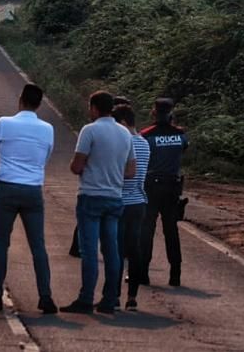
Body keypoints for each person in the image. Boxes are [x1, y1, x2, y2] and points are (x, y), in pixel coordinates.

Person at [63, 90, 136, 315]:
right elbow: (131, 171)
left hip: (91, 196)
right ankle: (110, 298)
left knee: (89, 251)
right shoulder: (125, 133)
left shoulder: (90, 130)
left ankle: (86, 298)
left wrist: (90, 168)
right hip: (115, 197)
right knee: (112, 251)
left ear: (94, 108)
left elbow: (76, 166)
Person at [0, 82, 56, 314]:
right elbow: (45, 157)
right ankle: (45, 296)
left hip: (7, 187)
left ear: (21, 100)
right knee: (38, 245)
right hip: (33, 190)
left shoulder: (5, 123)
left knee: (1, 244)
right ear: (39, 104)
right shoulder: (47, 129)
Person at [138, 97, 188, 287]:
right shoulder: (181, 135)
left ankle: (143, 273)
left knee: (147, 230)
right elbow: (183, 150)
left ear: (153, 112)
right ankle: (175, 274)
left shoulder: (146, 135)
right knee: (171, 230)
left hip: (151, 187)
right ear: (171, 113)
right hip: (172, 187)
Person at [113, 103, 149, 311]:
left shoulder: (123, 142)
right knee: (134, 250)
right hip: (139, 204)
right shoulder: (145, 143)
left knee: (116, 250)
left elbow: (123, 174)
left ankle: (115, 296)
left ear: (124, 123)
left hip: (121, 202)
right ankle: (132, 297)